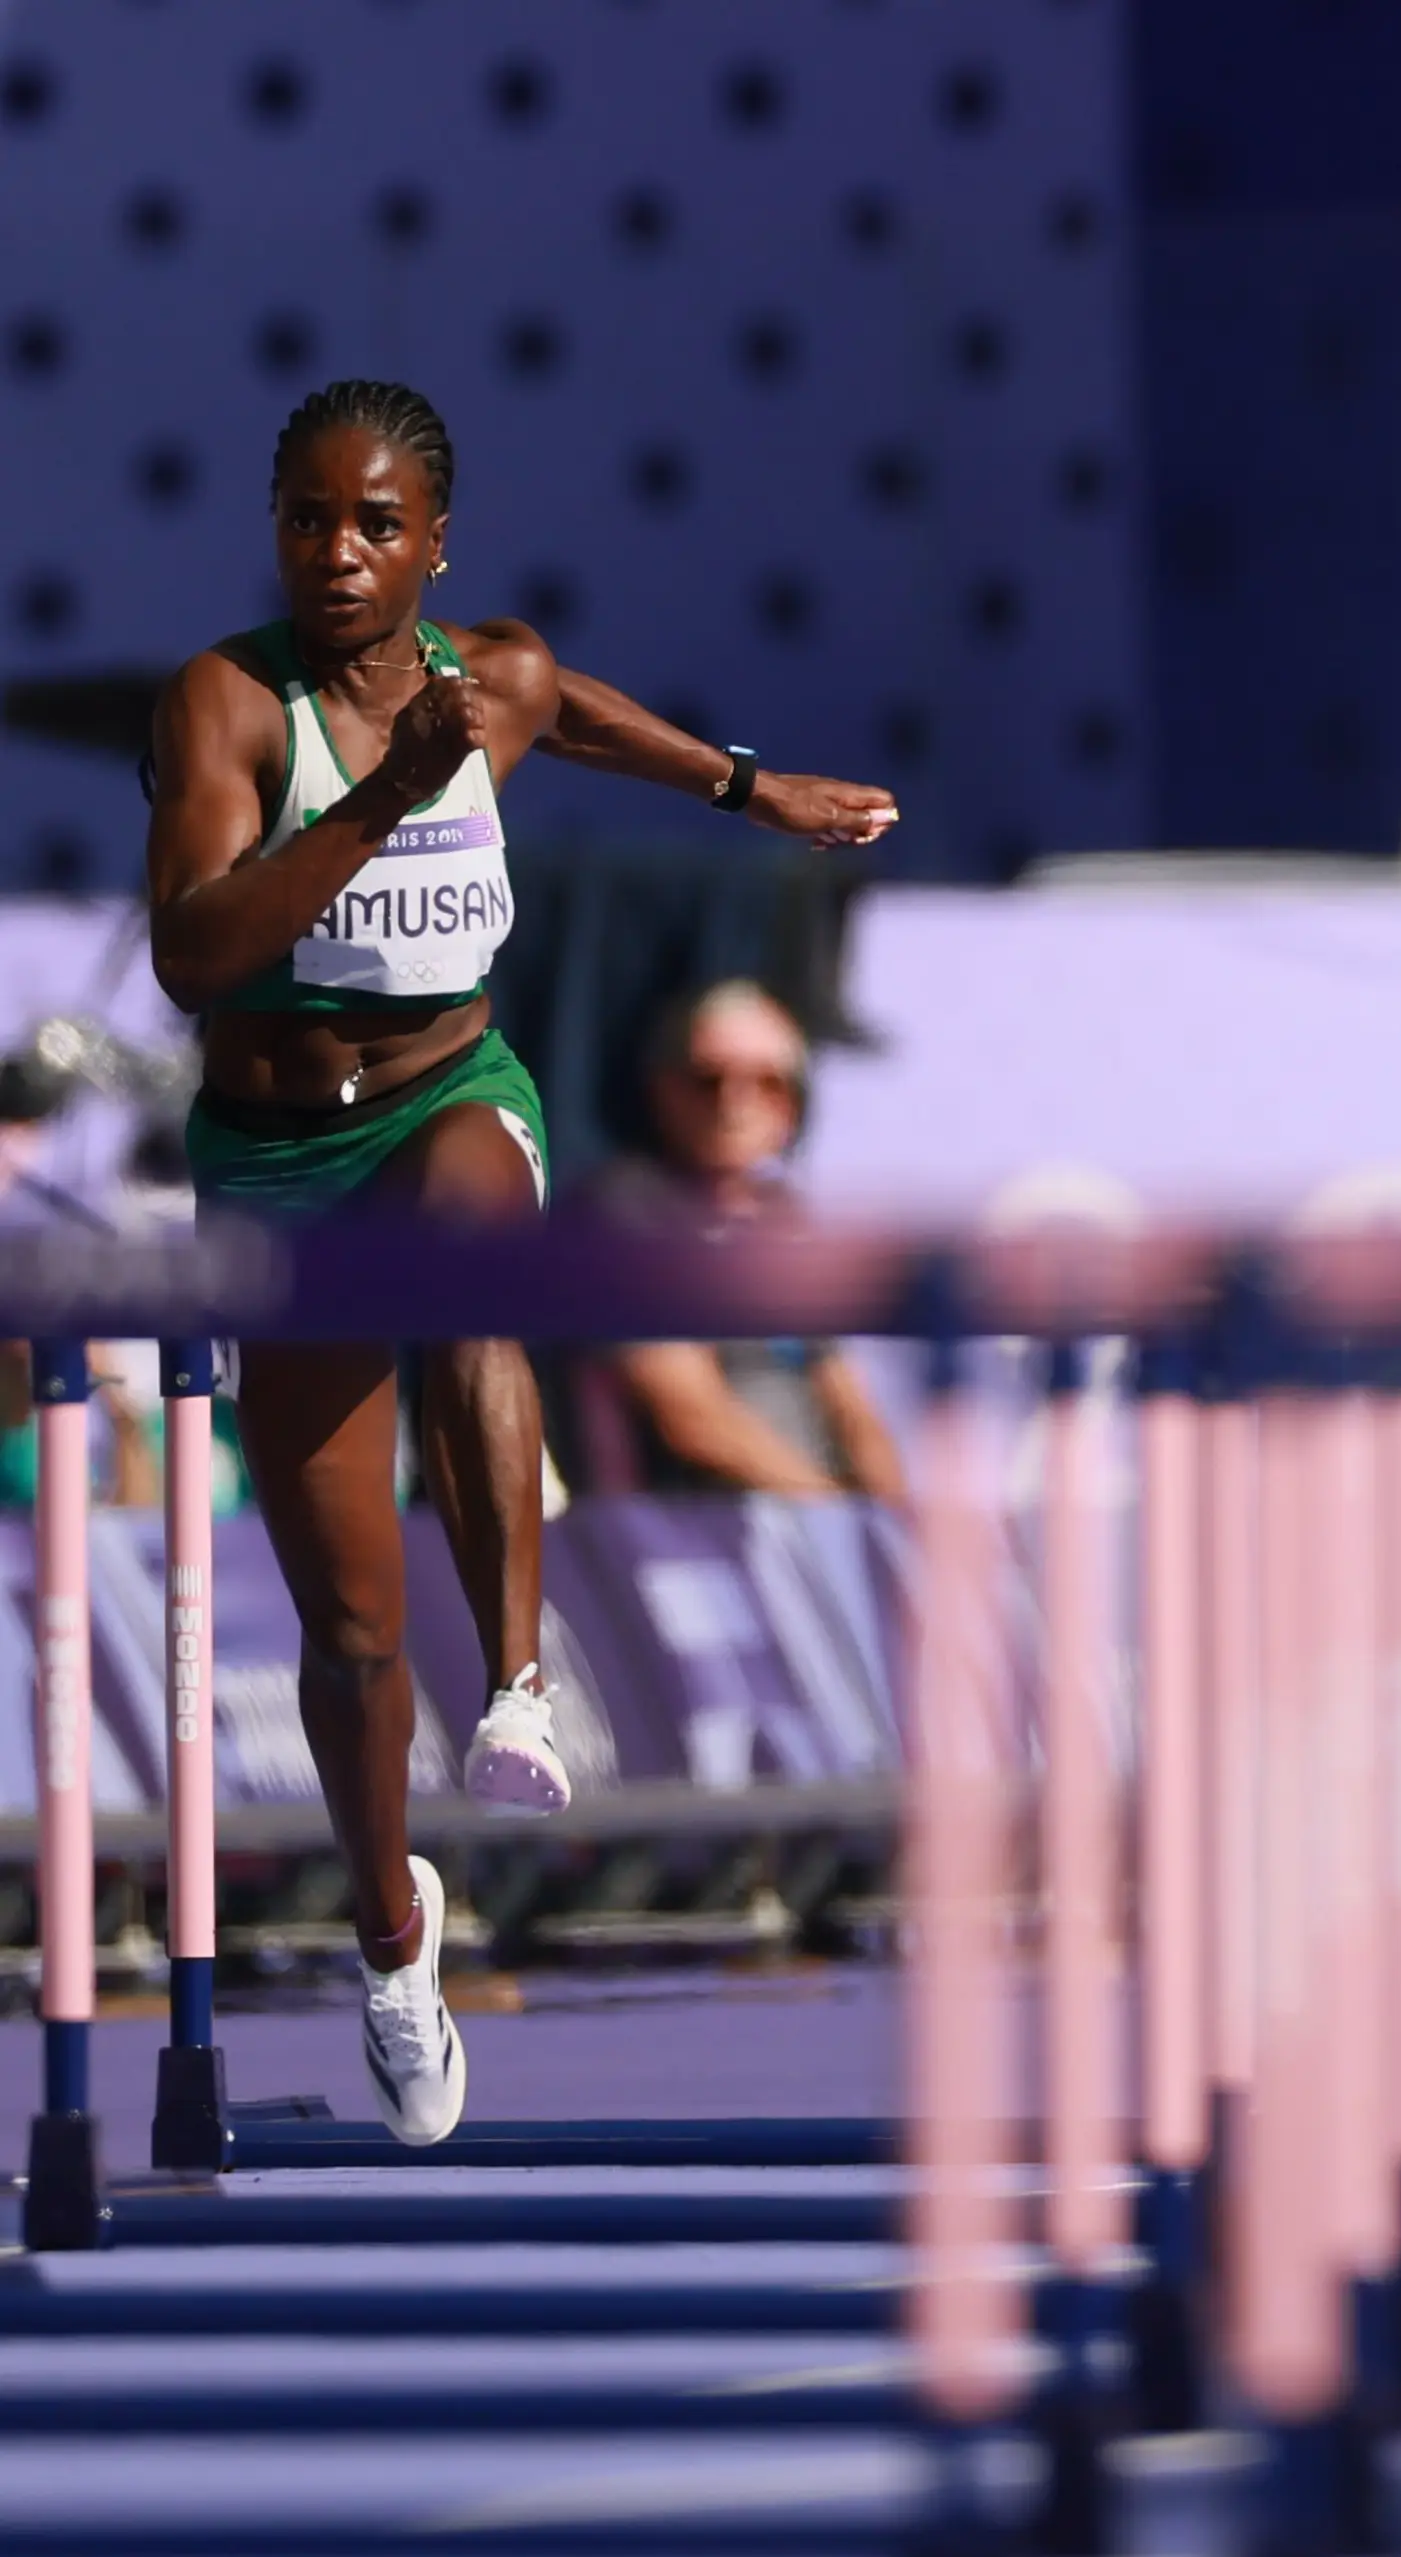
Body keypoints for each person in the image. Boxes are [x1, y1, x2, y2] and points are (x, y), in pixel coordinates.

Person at [139, 380, 898, 2143]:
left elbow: (583, 714)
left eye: (376, 525)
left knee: (479, 1246)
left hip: (449, 1095)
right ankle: (394, 1941)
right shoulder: (228, 704)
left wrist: (748, 784)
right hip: (277, 1161)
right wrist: (378, 803)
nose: (339, 553)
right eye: (311, 518)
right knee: (343, 1619)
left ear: (435, 547)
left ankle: (524, 1678)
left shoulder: (499, 685)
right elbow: (196, 956)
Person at [566, 980, 904, 1501]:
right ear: (664, 1089)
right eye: (709, 1079)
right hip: (694, 1536)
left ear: (793, 1106)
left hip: (810, 1524)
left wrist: (894, 1518)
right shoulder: (624, 1210)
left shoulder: (784, 1213)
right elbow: (692, 1418)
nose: (735, 1103)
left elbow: (847, 1398)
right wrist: (836, 1512)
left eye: (767, 1082)